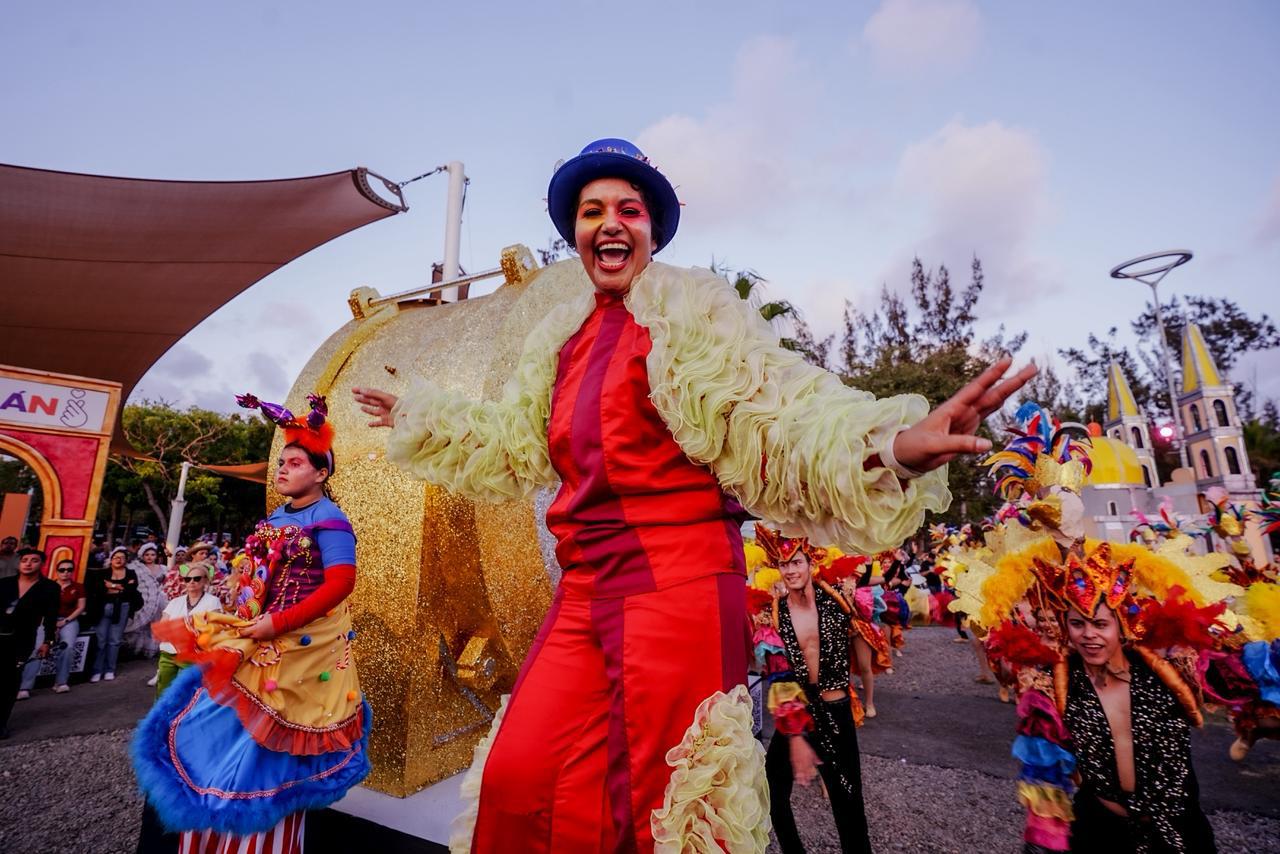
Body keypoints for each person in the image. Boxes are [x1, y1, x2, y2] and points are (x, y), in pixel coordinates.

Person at [353, 137, 1035, 853]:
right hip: (585, 590)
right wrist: (419, 414)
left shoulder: (692, 315)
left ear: (650, 230)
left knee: (661, 809)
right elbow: (512, 440)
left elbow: (783, 419)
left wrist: (891, 447)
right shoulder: (561, 339)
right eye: (592, 211)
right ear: (576, 234)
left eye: (628, 208)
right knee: (521, 779)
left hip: (677, 588)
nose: (610, 222)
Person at [132, 393, 369, 853]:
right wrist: (233, 593)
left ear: (321, 474)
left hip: (298, 651)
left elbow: (341, 584)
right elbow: (258, 575)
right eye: (282, 462)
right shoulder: (277, 517)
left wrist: (276, 623)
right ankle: (208, 833)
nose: (283, 469)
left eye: (296, 462)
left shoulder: (332, 520)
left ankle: (258, 840)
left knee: (269, 752)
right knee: (220, 734)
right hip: (253, 639)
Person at [752, 527, 872, 854]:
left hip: (836, 713)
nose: (791, 570)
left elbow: (871, 569)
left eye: (797, 562)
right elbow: (779, 680)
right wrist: (795, 738)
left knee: (848, 800)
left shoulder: (836, 600)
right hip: (799, 713)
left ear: (810, 563)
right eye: (784, 564)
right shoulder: (773, 615)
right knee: (772, 792)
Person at [0, 548, 59, 737]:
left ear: (41, 564)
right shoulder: (4, 584)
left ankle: (2, 722)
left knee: (9, 681)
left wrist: (48, 641)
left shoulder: (49, 588)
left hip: (22, 638)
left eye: (34, 560)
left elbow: (51, 616)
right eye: (24, 559)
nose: (28, 563)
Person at [17, 558, 85, 697]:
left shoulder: (78, 587)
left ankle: (61, 682)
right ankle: (25, 687)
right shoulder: (47, 586)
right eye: (62, 570)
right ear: (57, 571)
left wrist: (65, 621)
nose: (65, 572)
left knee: (67, 647)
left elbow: (81, 607)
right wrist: (50, 622)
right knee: (37, 648)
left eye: (69, 569)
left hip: (68, 620)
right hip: (47, 620)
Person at [153, 564, 221, 695]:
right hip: (169, 653)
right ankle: (164, 715)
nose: (191, 582)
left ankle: (184, 715)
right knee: (163, 691)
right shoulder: (175, 602)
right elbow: (163, 625)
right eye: (187, 579)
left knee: (187, 692)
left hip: (194, 655)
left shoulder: (213, 601)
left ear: (205, 580)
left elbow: (215, 629)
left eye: (196, 578)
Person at [87, 546, 141, 681]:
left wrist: (110, 586)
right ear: (111, 560)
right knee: (101, 640)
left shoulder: (131, 573)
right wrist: (117, 587)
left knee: (115, 640)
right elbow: (98, 589)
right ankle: (97, 670)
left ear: (126, 561)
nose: (118, 560)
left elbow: (129, 590)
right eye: (116, 557)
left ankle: (110, 669)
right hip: (103, 607)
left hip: (122, 607)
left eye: (122, 558)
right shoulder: (102, 573)